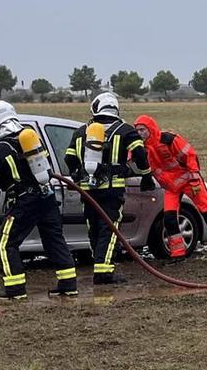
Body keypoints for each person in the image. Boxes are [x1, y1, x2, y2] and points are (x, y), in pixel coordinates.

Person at [0, 101, 79, 299]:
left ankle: (14, 289)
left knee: (5, 244)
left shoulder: (0, 150)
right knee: (54, 240)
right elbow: (46, 169)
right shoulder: (32, 141)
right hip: (47, 197)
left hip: (24, 203)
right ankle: (68, 284)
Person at [62, 91, 150, 285]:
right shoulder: (126, 130)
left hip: (87, 191)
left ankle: (99, 265)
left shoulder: (80, 132)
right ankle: (104, 272)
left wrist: (78, 175)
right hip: (111, 191)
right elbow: (141, 155)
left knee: (93, 229)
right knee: (109, 229)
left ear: (95, 108)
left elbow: (69, 159)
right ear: (115, 109)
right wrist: (146, 176)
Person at [132, 114, 207, 264]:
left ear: (151, 128)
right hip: (170, 187)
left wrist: (195, 178)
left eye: (143, 130)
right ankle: (177, 253)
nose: (140, 133)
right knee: (169, 218)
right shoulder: (139, 147)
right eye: (137, 131)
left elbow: (190, 155)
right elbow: (128, 158)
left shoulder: (169, 139)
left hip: (190, 181)